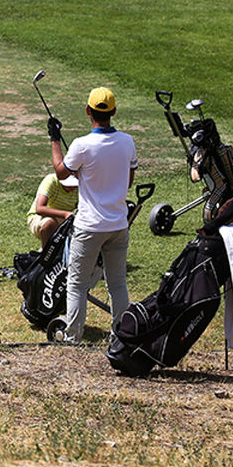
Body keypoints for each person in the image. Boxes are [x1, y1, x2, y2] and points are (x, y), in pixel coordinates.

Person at [48, 86, 137, 344]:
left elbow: (60, 172)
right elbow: (128, 181)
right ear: (114, 112)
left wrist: (55, 139)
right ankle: (121, 335)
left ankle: (72, 335)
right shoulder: (127, 142)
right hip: (118, 225)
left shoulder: (81, 145)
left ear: (88, 111)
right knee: (117, 283)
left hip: (89, 228)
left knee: (76, 283)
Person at [26, 171, 78, 249]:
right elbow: (39, 209)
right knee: (50, 223)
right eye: (68, 184)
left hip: (65, 219)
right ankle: (45, 252)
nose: (72, 187)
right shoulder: (51, 180)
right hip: (42, 217)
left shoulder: (81, 185)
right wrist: (65, 214)